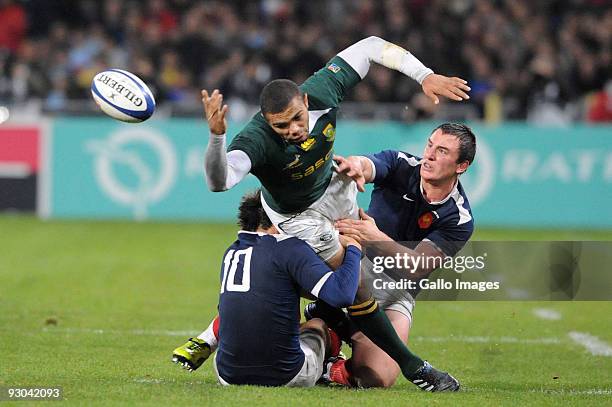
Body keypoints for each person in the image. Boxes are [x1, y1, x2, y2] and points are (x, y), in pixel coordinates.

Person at [200, 36, 470, 391]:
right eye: (281, 126)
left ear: (306, 101)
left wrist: (424, 75)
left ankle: (321, 323)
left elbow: (371, 46)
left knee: (375, 376)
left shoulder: (323, 89)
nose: (293, 130)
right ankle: (415, 368)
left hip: (335, 193)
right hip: (296, 217)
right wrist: (218, 137)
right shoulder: (257, 138)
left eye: (297, 118)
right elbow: (220, 181)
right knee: (354, 283)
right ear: (267, 122)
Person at [306, 122, 476, 389]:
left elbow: (416, 268)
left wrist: (376, 237)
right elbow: (370, 165)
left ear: (461, 166)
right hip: (354, 264)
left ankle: (334, 345)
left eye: (442, 151)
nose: (429, 155)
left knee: (378, 377)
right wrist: (355, 165)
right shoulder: (401, 164)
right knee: (291, 256)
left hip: (397, 291)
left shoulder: (459, 218)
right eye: (430, 144)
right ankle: (320, 323)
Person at [175, 190, 362, 387]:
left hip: (227, 375)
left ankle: (206, 339)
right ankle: (329, 367)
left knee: (250, 308)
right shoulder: (289, 247)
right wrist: (353, 248)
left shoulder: (231, 251)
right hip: (287, 375)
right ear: (275, 217)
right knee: (317, 325)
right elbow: (341, 294)